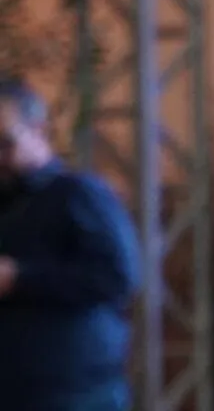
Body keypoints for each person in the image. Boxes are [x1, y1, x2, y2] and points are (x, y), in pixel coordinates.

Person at [0, 77, 139, 411]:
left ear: (38, 130)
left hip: (73, 391)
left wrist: (20, 278)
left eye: (4, 143)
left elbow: (119, 276)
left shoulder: (77, 194)